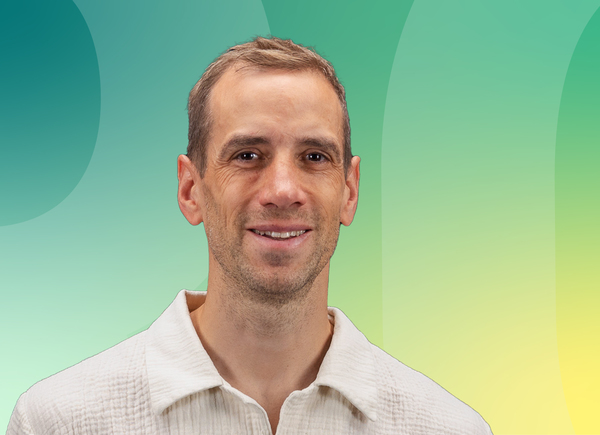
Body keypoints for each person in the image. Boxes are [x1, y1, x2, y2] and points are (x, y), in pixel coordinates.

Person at [7, 36, 493, 435]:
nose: (282, 191)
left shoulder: (447, 429)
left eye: (315, 157)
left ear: (349, 191)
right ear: (190, 190)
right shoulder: (59, 422)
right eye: (247, 155)